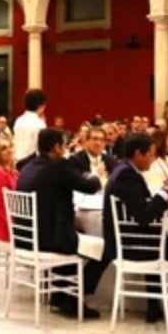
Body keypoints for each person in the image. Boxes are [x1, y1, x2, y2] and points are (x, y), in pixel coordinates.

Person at [85, 133, 168, 327]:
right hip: (135, 246)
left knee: (158, 239)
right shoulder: (127, 176)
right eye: (150, 154)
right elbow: (143, 217)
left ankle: (153, 307)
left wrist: (164, 204)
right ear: (138, 154)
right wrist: (165, 196)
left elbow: (139, 209)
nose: (152, 158)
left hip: (130, 242)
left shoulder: (122, 170)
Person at [16, 128, 103, 318]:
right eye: (63, 145)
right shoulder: (57, 166)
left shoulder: (28, 166)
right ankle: (73, 298)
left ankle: (59, 295)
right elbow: (88, 187)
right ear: (56, 147)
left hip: (25, 237)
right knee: (105, 248)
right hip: (48, 240)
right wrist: (96, 175)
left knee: (73, 230)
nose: (65, 149)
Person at [12, 89, 48, 165]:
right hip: (31, 163)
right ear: (40, 105)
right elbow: (41, 149)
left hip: (16, 161)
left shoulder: (19, 120)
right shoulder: (40, 124)